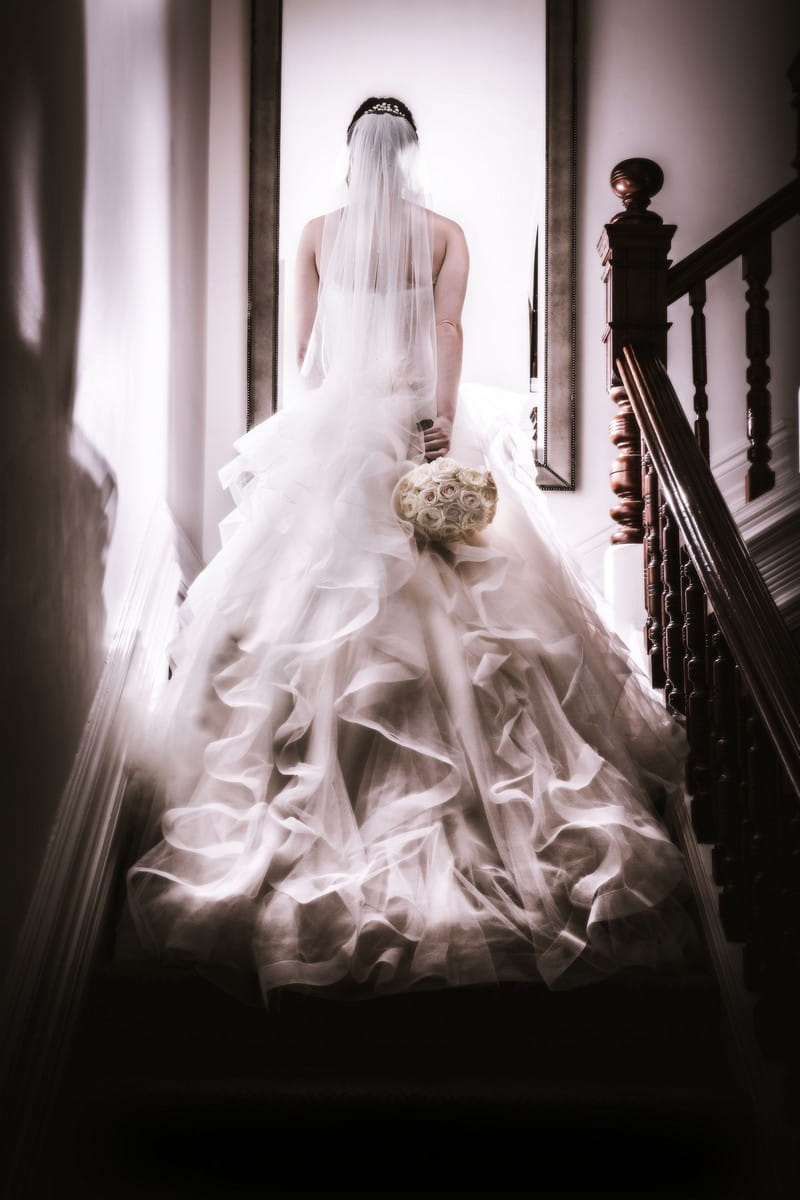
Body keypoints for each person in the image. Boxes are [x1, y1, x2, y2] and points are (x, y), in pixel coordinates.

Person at [127, 97, 700, 999]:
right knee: (464, 612)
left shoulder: (319, 232)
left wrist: (323, 422)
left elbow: (310, 348)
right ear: (411, 153)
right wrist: (433, 427)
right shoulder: (441, 233)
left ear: (354, 151)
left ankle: (306, 815)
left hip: (338, 429)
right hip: (415, 417)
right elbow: (448, 332)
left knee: (309, 616)